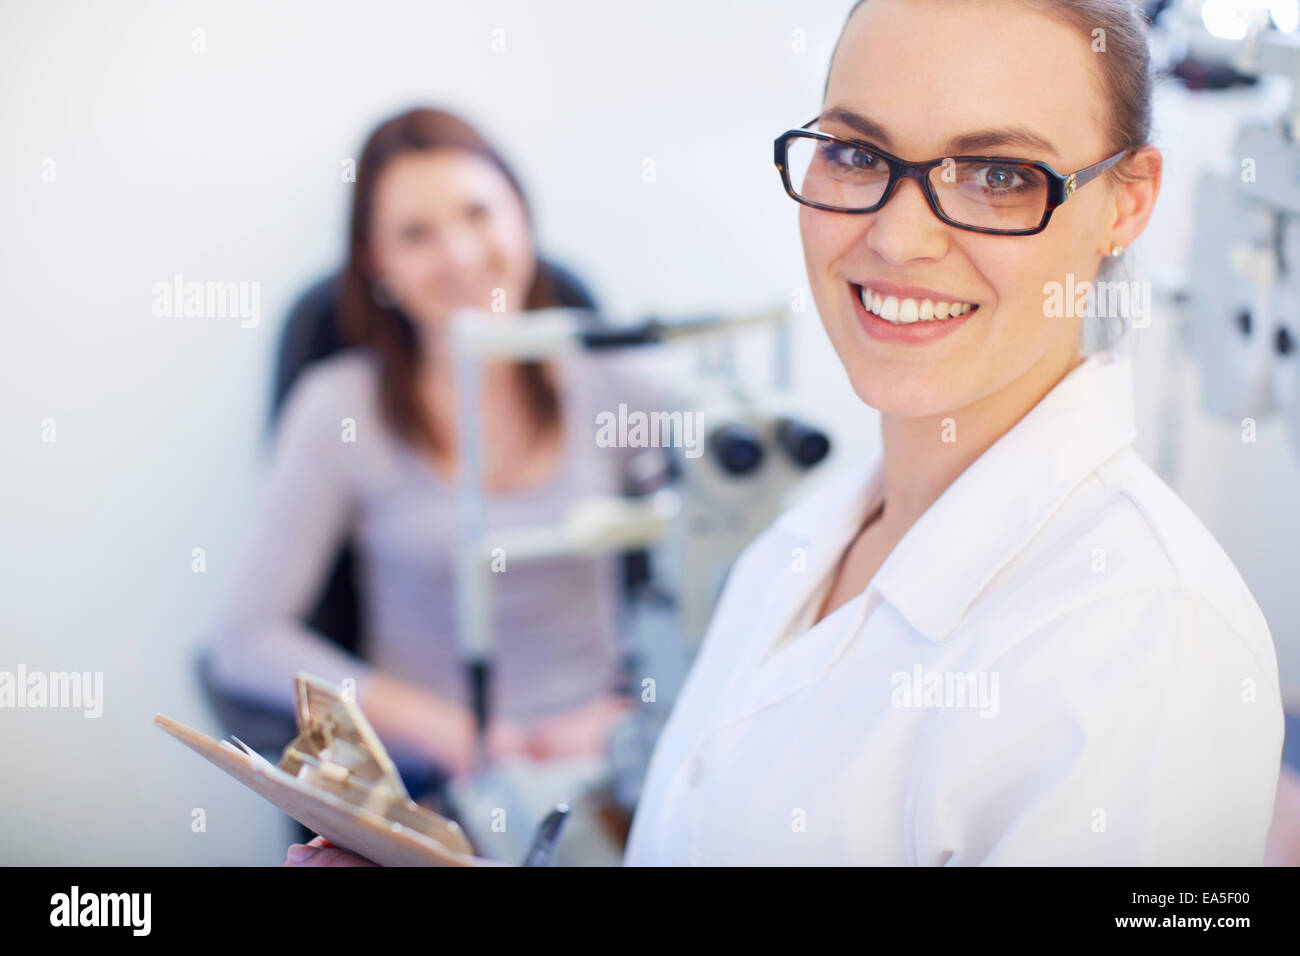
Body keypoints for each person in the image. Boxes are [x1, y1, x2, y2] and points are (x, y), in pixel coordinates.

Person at [286, 0, 1284, 867]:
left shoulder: (1148, 636)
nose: (897, 237)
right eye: (855, 153)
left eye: (996, 174)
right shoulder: (801, 542)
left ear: (1128, 201)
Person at [209, 108, 665, 788]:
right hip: (429, 776)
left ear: (522, 217)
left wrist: (632, 707)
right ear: (375, 261)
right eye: (416, 234)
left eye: (478, 213)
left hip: (603, 760)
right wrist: (456, 734)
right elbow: (245, 640)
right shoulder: (338, 408)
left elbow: (724, 576)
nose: (458, 255)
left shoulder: (613, 380)